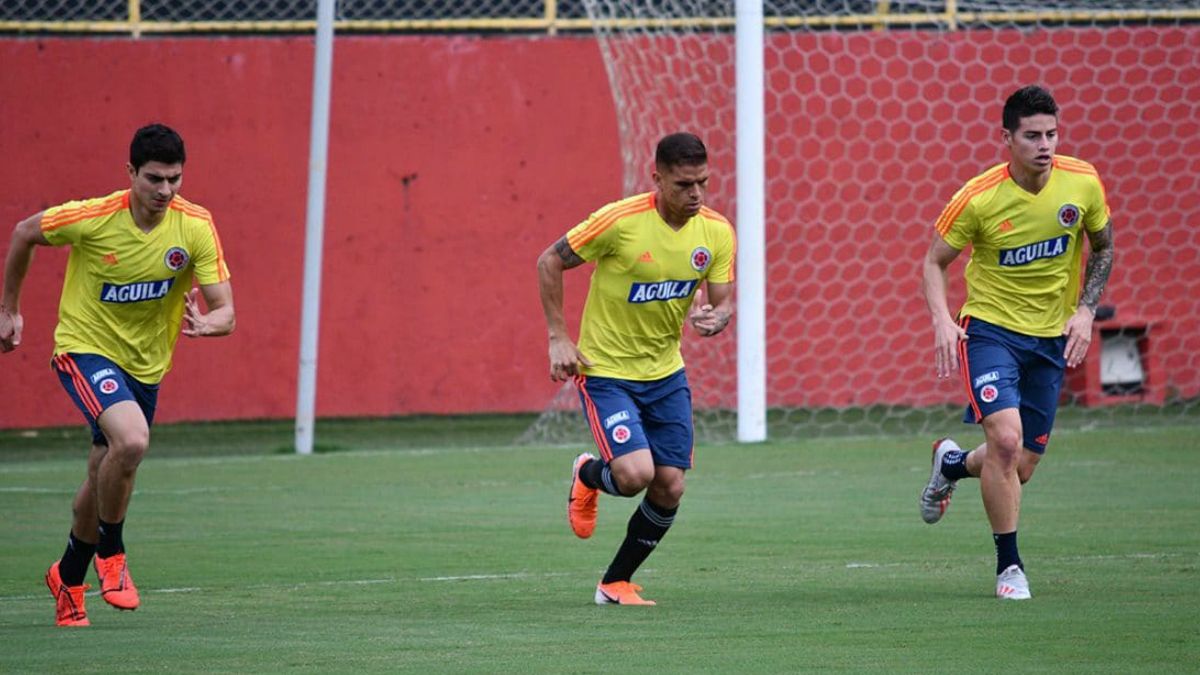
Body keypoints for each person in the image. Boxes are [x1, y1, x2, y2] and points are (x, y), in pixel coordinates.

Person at [0, 124, 235, 626]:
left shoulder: (194, 225)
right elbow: (24, 232)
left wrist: (209, 322)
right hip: (84, 349)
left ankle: (67, 576)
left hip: (146, 365)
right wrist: (9, 310)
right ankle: (113, 553)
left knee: (104, 467)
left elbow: (225, 312)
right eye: (154, 178)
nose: (165, 190)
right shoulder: (93, 217)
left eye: (174, 179)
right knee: (131, 441)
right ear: (130, 173)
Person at [919, 86, 1114, 600]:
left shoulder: (1083, 182)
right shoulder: (979, 197)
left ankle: (953, 464)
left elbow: (1104, 247)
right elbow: (934, 261)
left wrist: (1086, 311)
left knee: (1020, 467)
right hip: (989, 331)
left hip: (1050, 338)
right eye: (1032, 136)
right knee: (1004, 440)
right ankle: (1010, 568)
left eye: (1051, 134)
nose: (1044, 145)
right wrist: (942, 318)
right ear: (1007, 138)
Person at [536, 132, 735, 606]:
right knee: (634, 475)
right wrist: (559, 337)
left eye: (703, 183)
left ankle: (614, 583)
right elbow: (549, 261)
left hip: (666, 375)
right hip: (606, 370)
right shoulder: (619, 221)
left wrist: (718, 316)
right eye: (685, 184)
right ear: (658, 178)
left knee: (670, 485)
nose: (696, 195)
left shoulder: (716, 231)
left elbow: (723, 301)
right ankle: (589, 476)